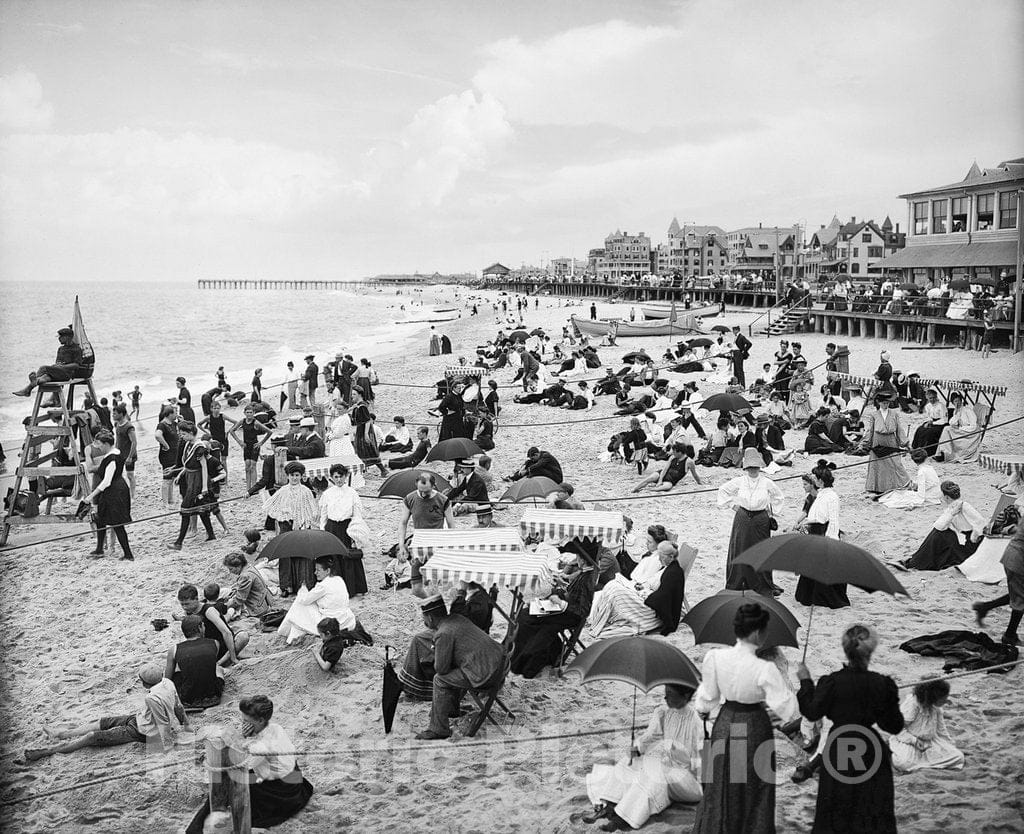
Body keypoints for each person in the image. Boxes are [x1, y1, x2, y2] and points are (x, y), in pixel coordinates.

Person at [691, 603, 799, 834]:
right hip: (753, 725)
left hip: (725, 720)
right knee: (754, 786)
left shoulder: (715, 657)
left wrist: (702, 708)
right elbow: (787, 709)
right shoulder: (764, 668)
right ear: (757, 632)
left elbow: (708, 697)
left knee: (721, 781)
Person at [794, 625, 903, 833]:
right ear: (871, 650)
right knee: (870, 804)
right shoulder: (881, 684)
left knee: (836, 804)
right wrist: (891, 698)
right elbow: (894, 726)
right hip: (869, 746)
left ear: (846, 650)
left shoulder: (832, 682)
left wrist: (805, 681)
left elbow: (812, 712)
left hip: (840, 746)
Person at [184, 695, 313, 834]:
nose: (243, 723)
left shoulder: (262, 746)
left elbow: (241, 765)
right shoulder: (275, 727)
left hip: (281, 793)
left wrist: (239, 740)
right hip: (293, 779)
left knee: (227, 780)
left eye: (246, 720)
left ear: (260, 720)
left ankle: (195, 829)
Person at [584, 685, 703, 830]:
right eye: (665, 694)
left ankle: (624, 818)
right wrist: (638, 747)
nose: (665, 698)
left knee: (657, 771)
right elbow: (650, 738)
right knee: (632, 761)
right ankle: (610, 805)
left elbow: (698, 763)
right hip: (667, 765)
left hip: (688, 780)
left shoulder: (695, 722)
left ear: (685, 696)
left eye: (670, 694)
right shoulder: (662, 712)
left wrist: (674, 751)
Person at [24, 664, 189, 761]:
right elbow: (178, 706)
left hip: (142, 731)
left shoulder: (152, 698)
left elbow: (163, 723)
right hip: (140, 719)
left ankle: (50, 751)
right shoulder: (167, 682)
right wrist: (186, 725)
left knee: (93, 737)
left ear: (145, 684)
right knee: (104, 722)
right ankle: (62, 733)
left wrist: (168, 747)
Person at [413, 595, 505, 740]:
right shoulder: (457, 618)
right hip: (499, 663)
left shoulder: (443, 633)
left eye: (424, 618)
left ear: (430, 618)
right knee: (455, 668)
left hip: (486, 674)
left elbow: (441, 669)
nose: (423, 621)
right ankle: (451, 709)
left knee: (439, 680)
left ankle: (438, 729)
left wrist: (436, 651)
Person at [511, 541, 598, 678]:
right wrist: (558, 592)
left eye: (578, 557)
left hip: (571, 615)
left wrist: (561, 603)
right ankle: (520, 658)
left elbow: (583, 610)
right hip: (565, 610)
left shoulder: (587, 578)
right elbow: (572, 592)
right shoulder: (585, 573)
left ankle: (523, 662)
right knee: (528, 615)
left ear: (582, 559)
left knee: (529, 619)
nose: (576, 560)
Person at [717, 448, 783, 595]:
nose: (753, 470)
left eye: (755, 467)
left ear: (759, 467)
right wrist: (732, 505)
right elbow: (722, 490)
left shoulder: (767, 482)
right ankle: (739, 581)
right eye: (750, 467)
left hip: (760, 519)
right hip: (742, 517)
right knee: (740, 547)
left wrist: (772, 513)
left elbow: (779, 497)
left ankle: (761, 583)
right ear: (746, 467)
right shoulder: (739, 481)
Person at [588, 541, 686, 640]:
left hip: (652, 611)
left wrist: (645, 594)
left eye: (662, 556)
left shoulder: (673, 573)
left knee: (615, 589)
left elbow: (663, 598)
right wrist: (643, 588)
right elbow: (658, 590)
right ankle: (599, 620)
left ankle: (599, 622)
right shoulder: (668, 568)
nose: (659, 558)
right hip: (650, 600)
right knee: (612, 585)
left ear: (671, 556)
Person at [277, 556, 372, 645]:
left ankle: (288, 633)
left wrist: (303, 589)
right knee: (309, 602)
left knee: (300, 604)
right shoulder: (339, 579)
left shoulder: (323, 586)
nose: (315, 572)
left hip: (331, 622)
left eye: (318, 570)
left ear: (327, 571)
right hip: (347, 619)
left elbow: (304, 600)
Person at [794, 465, 849, 609]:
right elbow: (816, 515)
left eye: (815, 478)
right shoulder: (821, 494)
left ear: (821, 481)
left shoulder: (831, 496)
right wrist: (806, 524)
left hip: (824, 533)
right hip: (815, 530)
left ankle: (824, 598)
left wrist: (830, 539)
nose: (813, 480)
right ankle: (811, 596)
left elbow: (833, 519)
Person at [900, 481, 985, 570]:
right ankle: (915, 561)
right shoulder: (952, 507)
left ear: (947, 497)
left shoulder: (964, 506)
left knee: (939, 534)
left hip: (970, 545)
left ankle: (914, 563)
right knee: (939, 534)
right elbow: (939, 525)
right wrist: (952, 513)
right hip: (962, 539)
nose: (940, 496)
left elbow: (981, 522)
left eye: (941, 494)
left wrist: (974, 536)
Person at [264, 460, 320, 594]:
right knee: (285, 554)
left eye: (297, 475)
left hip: (302, 526)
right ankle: (286, 585)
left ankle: (304, 582)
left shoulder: (306, 491)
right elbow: (271, 506)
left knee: (303, 554)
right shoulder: (282, 491)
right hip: (286, 525)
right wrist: (284, 516)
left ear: (301, 476)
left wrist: (302, 522)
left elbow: (311, 510)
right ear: (287, 476)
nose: (294, 478)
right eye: (292, 475)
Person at [398, 473, 456, 597]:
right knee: (416, 590)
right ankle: (432, 602)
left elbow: (451, 525)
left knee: (444, 587)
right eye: (421, 491)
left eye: (427, 492)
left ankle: (439, 607)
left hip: (438, 548)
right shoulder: (410, 499)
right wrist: (401, 545)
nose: (423, 494)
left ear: (434, 486)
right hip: (419, 548)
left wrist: (452, 546)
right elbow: (403, 523)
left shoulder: (443, 500)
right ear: (416, 485)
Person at [889, 680, 964, 772]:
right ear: (933, 697)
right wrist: (914, 741)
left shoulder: (936, 708)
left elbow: (941, 731)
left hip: (930, 741)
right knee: (904, 763)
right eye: (943, 697)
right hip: (907, 740)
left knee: (958, 757)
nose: (946, 700)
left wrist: (951, 747)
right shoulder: (913, 704)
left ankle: (921, 766)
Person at [83, 429, 134, 560]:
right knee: (100, 518)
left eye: (99, 444)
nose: (98, 447)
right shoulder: (116, 451)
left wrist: (90, 496)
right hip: (115, 488)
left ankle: (128, 554)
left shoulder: (112, 458)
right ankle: (100, 549)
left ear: (106, 444)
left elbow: (106, 481)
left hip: (115, 491)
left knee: (117, 524)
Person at [169, 429, 223, 550]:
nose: (182, 436)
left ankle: (179, 542)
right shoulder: (189, 444)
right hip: (190, 478)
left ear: (190, 433)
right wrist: (180, 474)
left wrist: (204, 486)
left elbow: (204, 468)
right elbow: (187, 465)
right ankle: (211, 535)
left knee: (186, 508)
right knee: (201, 508)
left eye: (183, 434)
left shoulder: (199, 447)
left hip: (197, 481)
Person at [972, 519, 1024, 645]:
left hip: (1013, 555)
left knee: (1018, 593)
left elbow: (1016, 529)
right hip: (1018, 560)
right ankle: (1009, 636)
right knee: (1020, 599)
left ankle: (984, 607)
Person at [319, 463, 368, 595]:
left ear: (346, 476)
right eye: (336, 477)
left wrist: (354, 532)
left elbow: (357, 514)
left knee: (348, 555)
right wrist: (323, 531)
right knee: (333, 557)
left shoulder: (352, 493)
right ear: (332, 478)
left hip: (347, 528)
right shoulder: (327, 494)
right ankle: (335, 589)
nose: (339, 480)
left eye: (341, 476)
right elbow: (323, 514)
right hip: (332, 527)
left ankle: (352, 588)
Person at [177, 584, 249, 665]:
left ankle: (223, 661)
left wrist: (233, 658)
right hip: (209, 649)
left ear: (196, 599)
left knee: (243, 636)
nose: (184, 607)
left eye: (187, 604)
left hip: (223, 646)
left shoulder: (208, 611)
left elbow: (226, 632)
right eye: (182, 604)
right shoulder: (189, 612)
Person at [165, 614, 224, 708]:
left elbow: (167, 679)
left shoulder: (174, 649)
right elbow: (207, 664)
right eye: (203, 626)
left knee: (177, 670)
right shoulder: (215, 643)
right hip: (213, 697)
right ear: (200, 627)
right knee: (219, 669)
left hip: (187, 699)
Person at [12, 326, 84, 397]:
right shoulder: (61, 349)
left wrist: (62, 367)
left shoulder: (76, 349)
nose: (59, 339)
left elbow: (77, 365)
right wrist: (56, 366)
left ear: (67, 337)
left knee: (43, 368)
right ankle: (31, 387)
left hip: (67, 374)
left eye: (60, 337)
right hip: (59, 373)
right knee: (45, 378)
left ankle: (31, 385)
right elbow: (58, 362)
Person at [863, 393, 910, 494]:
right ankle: (876, 487)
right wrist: (866, 443)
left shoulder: (894, 413)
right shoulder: (874, 415)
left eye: (887, 403)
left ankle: (902, 483)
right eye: (884, 403)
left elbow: (899, 429)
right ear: (879, 403)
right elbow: (870, 430)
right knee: (878, 464)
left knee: (895, 462)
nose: (886, 405)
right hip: (877, 441)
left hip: (891, 440)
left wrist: (905, 443)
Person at [229, 404, 270, 491]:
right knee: (247, 467)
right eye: (247, 412)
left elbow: (269, 431)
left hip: (254, 446)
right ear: (244, 413)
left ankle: (254, 488)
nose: (249, 414)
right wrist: (239, 441)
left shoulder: (256, 422)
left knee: (253, 466)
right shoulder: (242, 421)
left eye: (251, 412)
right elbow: (232, 431)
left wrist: (261, 443)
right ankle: (248, 487)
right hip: (246, 446)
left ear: (254, 413)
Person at [631, 443, 703, 493]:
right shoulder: (672, 457)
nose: (673, 453)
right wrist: (660, 480)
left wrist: (700, 483)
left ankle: (648, 490)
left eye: (674, 452)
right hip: (663, 474)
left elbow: (694, 474)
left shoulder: (689, 461)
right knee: (651, 478)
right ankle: (635, 489)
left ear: (680, 452)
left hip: (671, 480)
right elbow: (665, 469)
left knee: (667, 487)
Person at [223, 551, 274, 618]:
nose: (230, 572)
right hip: (263, 601)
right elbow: (239, 587)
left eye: (231, 569)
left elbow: (239, 600)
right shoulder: (248, 567)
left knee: (230, 611)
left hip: (258, 608)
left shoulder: (245, 576)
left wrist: (224, 606)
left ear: (238, 566)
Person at [933, 391, 980, 463]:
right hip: (962, 430)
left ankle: (944, 453)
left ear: (961, 401)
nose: (957, 403)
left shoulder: (968, 410)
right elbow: (951, 423)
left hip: (971, 432)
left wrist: (960, 428)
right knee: (947, 429)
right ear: (952, 403)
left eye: (959, 401)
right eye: (955, 401)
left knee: (947, 429)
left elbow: (973, 425)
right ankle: (943, 453)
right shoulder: (956, 411)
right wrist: (957, 414)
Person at [448, 455, 494, 526]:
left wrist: (458, 503)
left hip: (479, 503)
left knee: (463, 506)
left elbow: (471, 497)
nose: (461, 469)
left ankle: (452, 512)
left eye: (463, 468)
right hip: (472, 499)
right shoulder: (468, 477)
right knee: (453, 498)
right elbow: (458, 490)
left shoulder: (477, 480)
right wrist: (446, 497)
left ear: (469, 469)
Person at [155, 404, 180, 506]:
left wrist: (181, 421)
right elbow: (157, 435)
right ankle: (165, 502)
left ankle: (170, 500)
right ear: (170, 414)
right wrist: (166, 445)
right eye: (175, 413)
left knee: (172, 477)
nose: (177, 414)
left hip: (174, 453)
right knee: (167, 478)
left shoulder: (173, 423)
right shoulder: (162, 424)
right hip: (167, 455)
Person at [911, 387, 948, 455]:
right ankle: (917, 448)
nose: (932, 399)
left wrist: (933, 423)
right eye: (930, 398)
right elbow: (928, 417)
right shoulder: (928, 406)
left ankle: (927, 451)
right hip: (932, 421)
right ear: (927, 398)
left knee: (930, 432)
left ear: (936, 397)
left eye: (934, 397)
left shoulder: (941, 406)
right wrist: (929, 422)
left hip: (941, 423)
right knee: (920, 429)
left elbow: (944, 419)